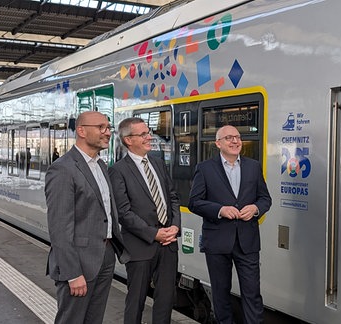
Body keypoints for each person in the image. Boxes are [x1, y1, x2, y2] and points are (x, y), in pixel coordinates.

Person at [44, 111, 130, 324]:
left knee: (94, 320)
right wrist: (73, 274)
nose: (108, 133)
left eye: (108, 128)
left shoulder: (100, 166)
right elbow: (60, 228)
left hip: (104, 256)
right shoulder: (63, 169)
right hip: (79, 262)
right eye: (101, 127)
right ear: (81, 131)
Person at [188, 125, 272, 324]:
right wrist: (220, 210)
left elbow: (265, 199)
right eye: (229, 138)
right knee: (220, 294)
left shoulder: (253, 166)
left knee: (252, 294)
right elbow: (194, 202)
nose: (235, 141)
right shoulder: (205, 168)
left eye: (238, 137)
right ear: (218, 144)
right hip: (217, 241)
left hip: (247, 241)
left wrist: (255, 209)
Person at [109, 117, 181, 324]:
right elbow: (123, 212)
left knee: (166, 300)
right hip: (140, 246)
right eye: (143, 134)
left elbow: (173, 197)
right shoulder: (118, 170)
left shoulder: (158, 163)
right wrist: (153, 233)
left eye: (148, 132)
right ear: (128, 140)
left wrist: (174, 227)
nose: (150, 137)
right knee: (136, 300)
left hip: (168, 244)